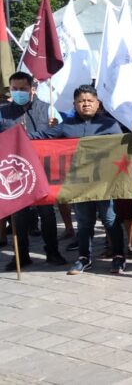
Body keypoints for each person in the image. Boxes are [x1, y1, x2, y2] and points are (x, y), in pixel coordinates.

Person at [29, 85, 128, 275]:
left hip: (104, 183)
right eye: (81, 101)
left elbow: (123, 147)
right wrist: (16, 137)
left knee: (110, 219)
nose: (86, 104)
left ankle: (118, 256)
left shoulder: (109, 125)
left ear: (97, 103)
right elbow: (41, 136)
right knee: (83, 222)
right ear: (74, 104)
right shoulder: (66, 125)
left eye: (90, 100)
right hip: (79, 184)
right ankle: (84, 258)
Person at [0, 72, 66, 270]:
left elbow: (61, 132)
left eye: (23, 88)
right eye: (14, 89)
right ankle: (21, 256)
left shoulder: (48, 109)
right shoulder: (3, 112)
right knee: (18, 215)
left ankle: (52, 252)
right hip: (15, 172)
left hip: (43, 170)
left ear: (33, 89)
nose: (18, 92)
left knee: (47, 213)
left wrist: (31, 136)